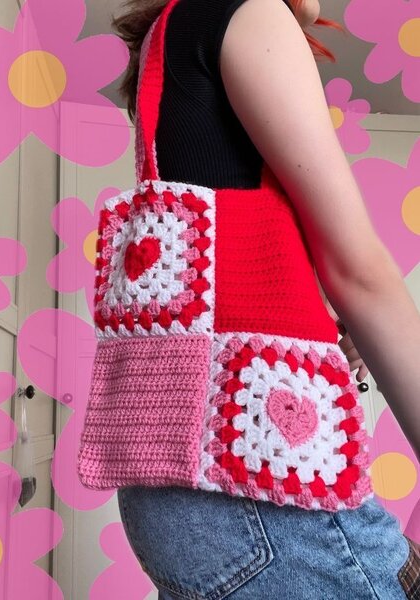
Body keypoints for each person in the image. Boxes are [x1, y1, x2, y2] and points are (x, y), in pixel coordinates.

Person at [106, 0, 420, 597]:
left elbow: (228, 264)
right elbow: (359, 271)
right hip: (256, 489)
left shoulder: (176, 36)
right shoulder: (251, 12)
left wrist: (319, 321)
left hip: (177, 497)